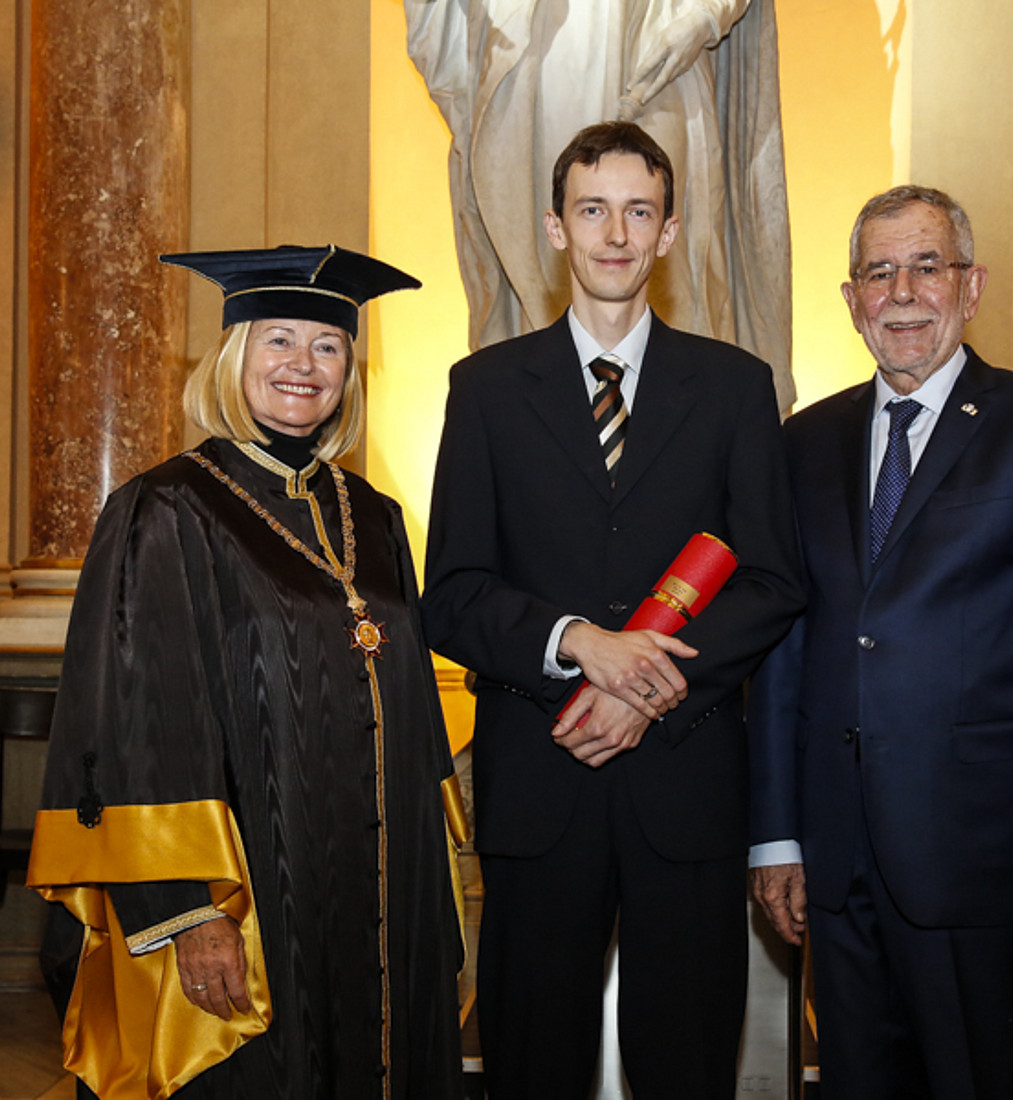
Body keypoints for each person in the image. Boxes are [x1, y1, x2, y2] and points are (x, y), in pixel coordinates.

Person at [27, 245, 464, 1100]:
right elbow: (138, 717)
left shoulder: (375, 516)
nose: (305, 366)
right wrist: (191, 913)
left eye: (328, 346)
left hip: (381, 884)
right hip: (255, 892)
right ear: (234, 356)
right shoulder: (167, 507)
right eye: (279, 340)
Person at [422, 121, 802, 1098]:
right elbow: (454, 594)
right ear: (557, 226)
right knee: (530, 1060)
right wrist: (579, 642)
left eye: (640, 211)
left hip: (686, 781)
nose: (616, 233)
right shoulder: (485, 390)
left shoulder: (734, 387)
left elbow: (772, 580)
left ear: (670, 231)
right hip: (541, 779)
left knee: (685, 1060)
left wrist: (644, 686)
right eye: (594, 210)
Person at [748, 186, 1013, 1099]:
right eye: (879, 272)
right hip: (836, 868)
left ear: (972, 285)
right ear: (851, 300)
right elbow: (783, 651)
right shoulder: (804, 442)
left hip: (982, 866)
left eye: (928, 265)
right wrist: (775, 840)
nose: (904, 292)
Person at [403, 0, 796, 411]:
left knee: (674, 261)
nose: (616, 232)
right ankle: (537, 430)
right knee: (539, 256)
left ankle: (688, 438)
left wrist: (707, 13)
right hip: (539, 41)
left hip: (658, 27)